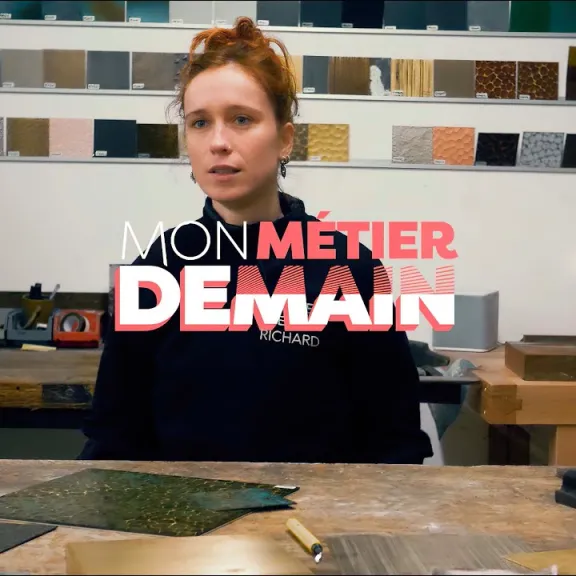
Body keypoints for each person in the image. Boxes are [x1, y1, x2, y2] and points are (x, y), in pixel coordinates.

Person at [79, 17, 433, 464]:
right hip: (182, 505)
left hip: (316, 507)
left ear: (285, 139)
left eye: (241, 119)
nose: (218, 142)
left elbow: (394, 443)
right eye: (200, 123)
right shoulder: (156, 271)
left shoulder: (351, 271)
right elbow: (114, 438)